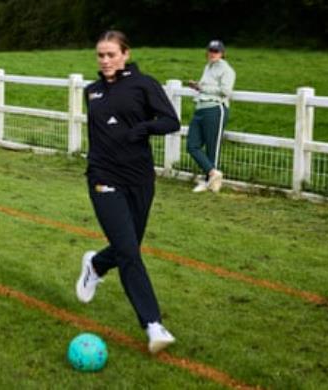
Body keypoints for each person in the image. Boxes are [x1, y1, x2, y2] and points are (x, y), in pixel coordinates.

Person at [75, 30, 179, 354]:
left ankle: (96, 265)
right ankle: (152, 323)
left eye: (111, 54)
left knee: (128, 246)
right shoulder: (91, 92)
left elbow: (170, 122)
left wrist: (143, 128)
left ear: (125, 54)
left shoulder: (144, 84)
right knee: (130, 254)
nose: (105, 61)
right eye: (100, 55)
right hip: (103, 177)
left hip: (140, 179)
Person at [186, 40, 236, 193]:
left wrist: (203, 87)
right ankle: (213, 174)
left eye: (216, 51)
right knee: (192, 145)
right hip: (200, 108)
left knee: (212, 148)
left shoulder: (227, 70)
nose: (213, 54)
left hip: (215, 109)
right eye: (211, 51)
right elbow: (205, 87)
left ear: (222, 53)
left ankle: (210, 182)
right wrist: (197, 86)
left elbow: (226, 91)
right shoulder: (208, 67)